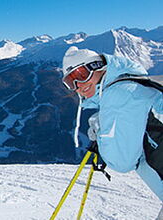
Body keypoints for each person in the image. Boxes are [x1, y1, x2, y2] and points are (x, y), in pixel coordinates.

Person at [61, 47, 162, 206]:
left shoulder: (118, 95)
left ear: (97, 66)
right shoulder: (133, 84)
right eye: (70, 82)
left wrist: (101, 132)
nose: (78, 85)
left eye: (81, 74)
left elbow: (122, 162)